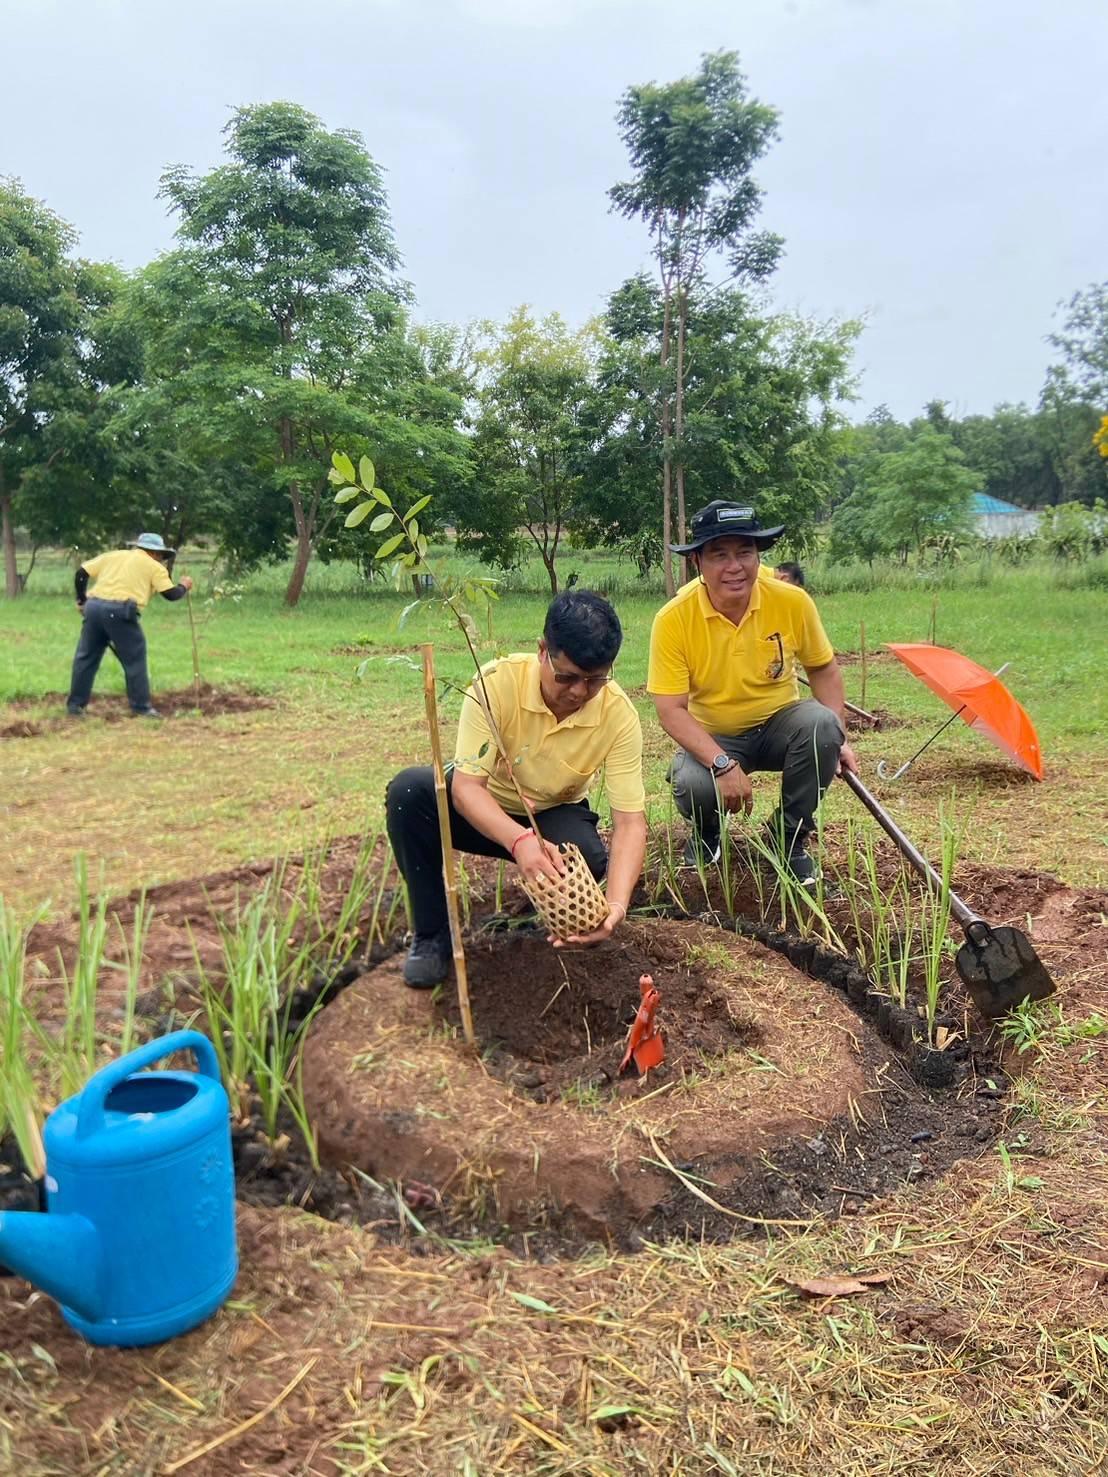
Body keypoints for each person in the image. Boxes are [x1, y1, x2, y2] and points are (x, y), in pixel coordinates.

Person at [387, 590, 647, 988]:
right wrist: (519, 840)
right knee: (409, 794)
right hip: (483, 807)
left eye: (594, 680)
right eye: (567, 677)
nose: (579, 692)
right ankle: (431, 934)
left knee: (588, 859)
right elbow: (467, 789)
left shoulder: (618, 715)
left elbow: (630, 823)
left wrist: (616, 905)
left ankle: (528, 922)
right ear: (543, 650)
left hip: (551, 812)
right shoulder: (496, 683)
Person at [647, 500, 857, 882]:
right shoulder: (674, 618)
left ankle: (788, 838)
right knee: (694, 783)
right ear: (697, 562)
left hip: (780, 725)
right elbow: (671, 709)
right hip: (716, 735)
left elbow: (823, 668)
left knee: (823, 727)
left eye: (745, 552)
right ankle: (707, 832)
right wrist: (721, 763)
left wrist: (840, 736)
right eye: (719, 554)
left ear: (759, 557)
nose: (734, 567)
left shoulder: (791, 601)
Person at [67, 533, 194, 719]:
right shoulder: (154, 567)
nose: (161, 559)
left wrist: (81, 600)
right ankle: (141, 707)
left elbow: (81, 574)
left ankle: (75, 706)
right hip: (121, 611)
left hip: (93, 608)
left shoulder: (114, 556)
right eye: (161, 555)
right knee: (134, 657)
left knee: (86, 658)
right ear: (155, 553)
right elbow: (171, 594)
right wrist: (184, 586)